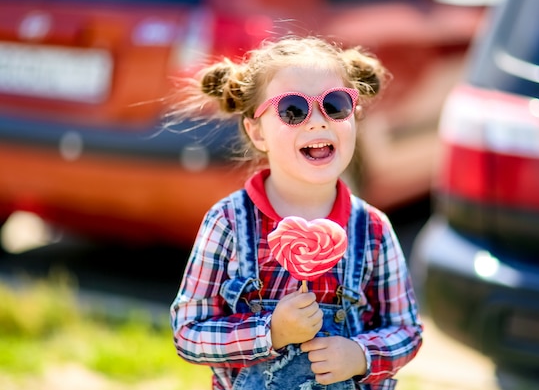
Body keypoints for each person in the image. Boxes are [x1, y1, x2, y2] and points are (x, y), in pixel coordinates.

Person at [169, 35, 423, 390]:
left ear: (356, 116)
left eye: (335, 105)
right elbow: (187, 332)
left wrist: (360, 354)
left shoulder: (372, 229)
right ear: (257, 131)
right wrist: (269, 332)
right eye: (293, 110)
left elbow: (407, 329)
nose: (318, 122)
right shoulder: (227, 223)